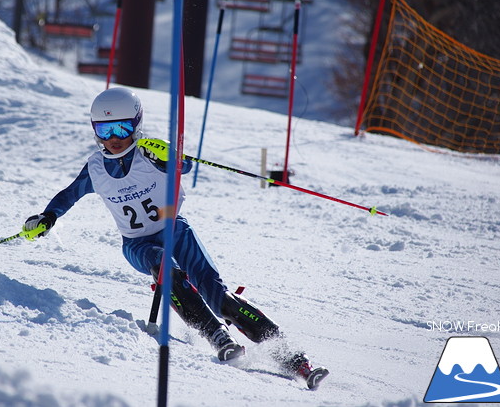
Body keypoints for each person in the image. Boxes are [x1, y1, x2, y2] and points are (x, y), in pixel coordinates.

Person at [23, 87, 328, 388]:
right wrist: (48, 217)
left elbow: (183, 165)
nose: (114, 137)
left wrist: (169, 157)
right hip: (137, 244)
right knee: (163, 266)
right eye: (105, 129)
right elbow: (69, 195)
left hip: (175, 230)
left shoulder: (151, 152)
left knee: (219, 297)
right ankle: (217, 336)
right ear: (95, 131)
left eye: (122, 127)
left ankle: (295, 360)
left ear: (136, 125)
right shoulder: (95, 168)